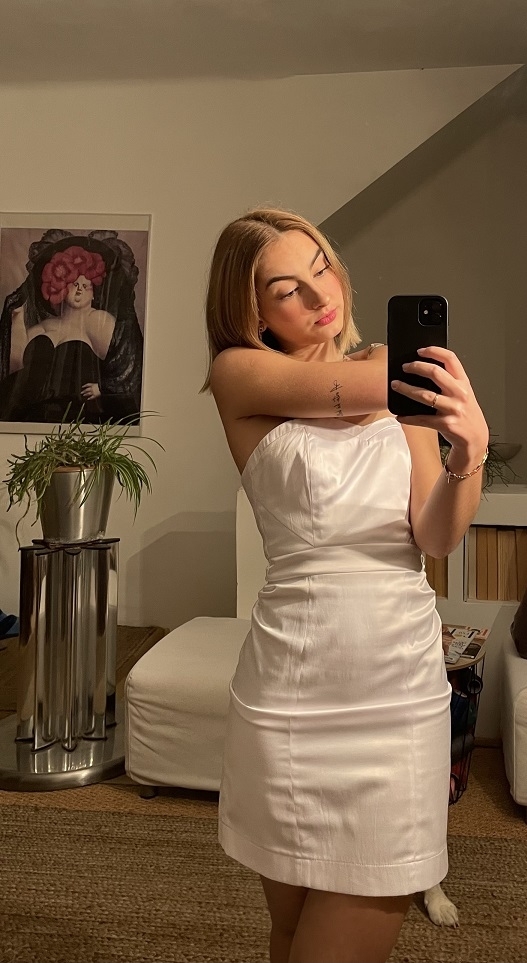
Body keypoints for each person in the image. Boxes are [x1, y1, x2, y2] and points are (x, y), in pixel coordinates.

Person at [203, 207, 488, 963]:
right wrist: (414, 379)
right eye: (285, 290)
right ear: (251, 312)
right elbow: (357, 388)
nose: (317, 294)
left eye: (321, 266)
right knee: (290, 932)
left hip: (395, 692)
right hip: (289, 695)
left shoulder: (395, 373)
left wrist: (470, 455)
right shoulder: (239, 374)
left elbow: (434, 536)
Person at [0, 230, 144, 423]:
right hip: (34, 421)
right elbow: (15, 372)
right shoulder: (42, 327)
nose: (79, 291)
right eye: (74, 284)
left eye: (86, 286)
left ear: (94, 293)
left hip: (83, 421)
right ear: (61, 285)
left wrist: (102, 389)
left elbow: (124, 371)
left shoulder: (101, 321)